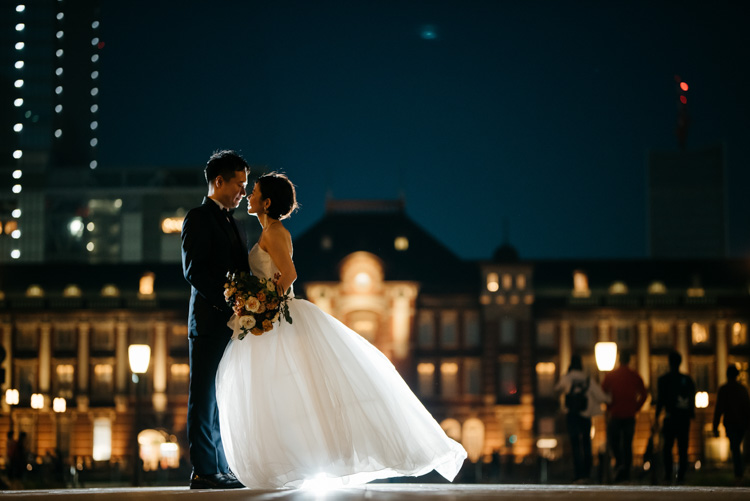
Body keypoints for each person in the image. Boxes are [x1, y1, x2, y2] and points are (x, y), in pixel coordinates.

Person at [215, 173, 467, 488]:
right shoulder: (271, 231)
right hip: (272, 316)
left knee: (289, 389)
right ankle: (291, 460)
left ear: (266, 202)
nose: (250, 196)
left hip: (275, 315)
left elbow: (289, 273)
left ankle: (299, 461)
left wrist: (264, 304)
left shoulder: (275, 232)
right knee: (288, 391)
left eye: (254, 192)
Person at [181, 150, 250, 490]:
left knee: (223, 396)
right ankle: (204, 470)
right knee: (204, 396)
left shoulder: (235, 223)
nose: (243, 191)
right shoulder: (198, 217)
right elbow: (193, 270)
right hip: (209, 322)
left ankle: (221, 466)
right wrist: (230, 303)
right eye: (239, 184)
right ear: (218, 181)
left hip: (235, 326)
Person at [554, 354, 611, 483]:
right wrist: (609, 398)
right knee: (586, 443)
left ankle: (578, 473)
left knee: (575, 445)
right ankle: (587, 473)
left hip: (572, 415)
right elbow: (601, 396)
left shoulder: (567, 378)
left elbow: (556, 389)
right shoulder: (588, 379)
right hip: (585, 415)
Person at [601, 351, 648, 482]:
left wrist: (609, 406)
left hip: (615, 414)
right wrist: (636, 407)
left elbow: (602, 393)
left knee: (613, 440)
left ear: (619, 360)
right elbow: (644, 395)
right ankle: (626, 472)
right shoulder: (635, 376)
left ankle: (619, 463)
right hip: (629, 415)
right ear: (629, 360)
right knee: (628, 444)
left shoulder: (611, 375)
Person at [654, 350, 695, 484]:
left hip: (670, 418)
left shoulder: (663, 380)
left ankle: (668, 474)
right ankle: (681, 475)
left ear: (669, 363)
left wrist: (656, 417)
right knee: (683, 448)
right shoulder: (687, 380)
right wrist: (691, 413)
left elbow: (660, 401)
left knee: (668, 447)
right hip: (683, 418)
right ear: (680, 362)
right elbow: (691, 398)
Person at [713, 364, 750, 482]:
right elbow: (747, 408)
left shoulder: (724, 389)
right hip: (741, 424)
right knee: (736, 446)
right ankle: (739, 471)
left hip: (730, 424)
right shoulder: (742, 389)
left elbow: (719, 409)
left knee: (735, 447)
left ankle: (738, 473)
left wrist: (715, 426)